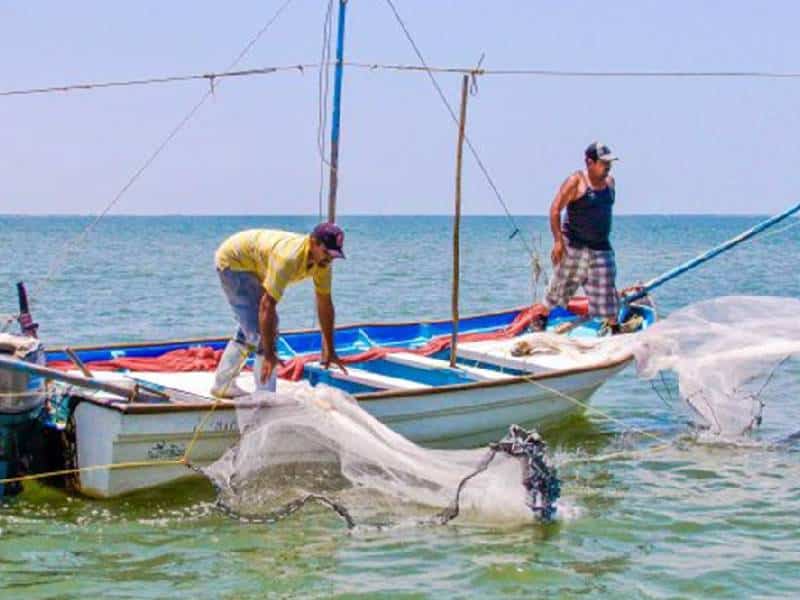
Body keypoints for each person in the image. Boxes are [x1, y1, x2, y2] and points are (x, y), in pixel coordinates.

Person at [211, 223, 348, 398]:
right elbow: (267, 306)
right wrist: (269, 353)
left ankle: (223, 384)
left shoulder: (322, 264)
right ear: (313, 242)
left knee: (254, 329)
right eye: (327, 253)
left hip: (255, 264)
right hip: (234, 262)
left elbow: (325, 303)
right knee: (262, 334)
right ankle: (266, 395)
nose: (329, 260)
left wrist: (330, 348)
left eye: (334, 256)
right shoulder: (287, 258)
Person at [539, 141, 621, 331]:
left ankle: (614, 327)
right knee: (559, 287)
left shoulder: (610, 183)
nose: (607, 167)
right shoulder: (576, 182)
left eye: (609, 163)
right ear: (589, 162)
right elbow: (555, 209)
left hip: (601, 248)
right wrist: (558, 242)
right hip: (574, 246)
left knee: (607, 291)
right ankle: (541, 318)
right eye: (603, 163)